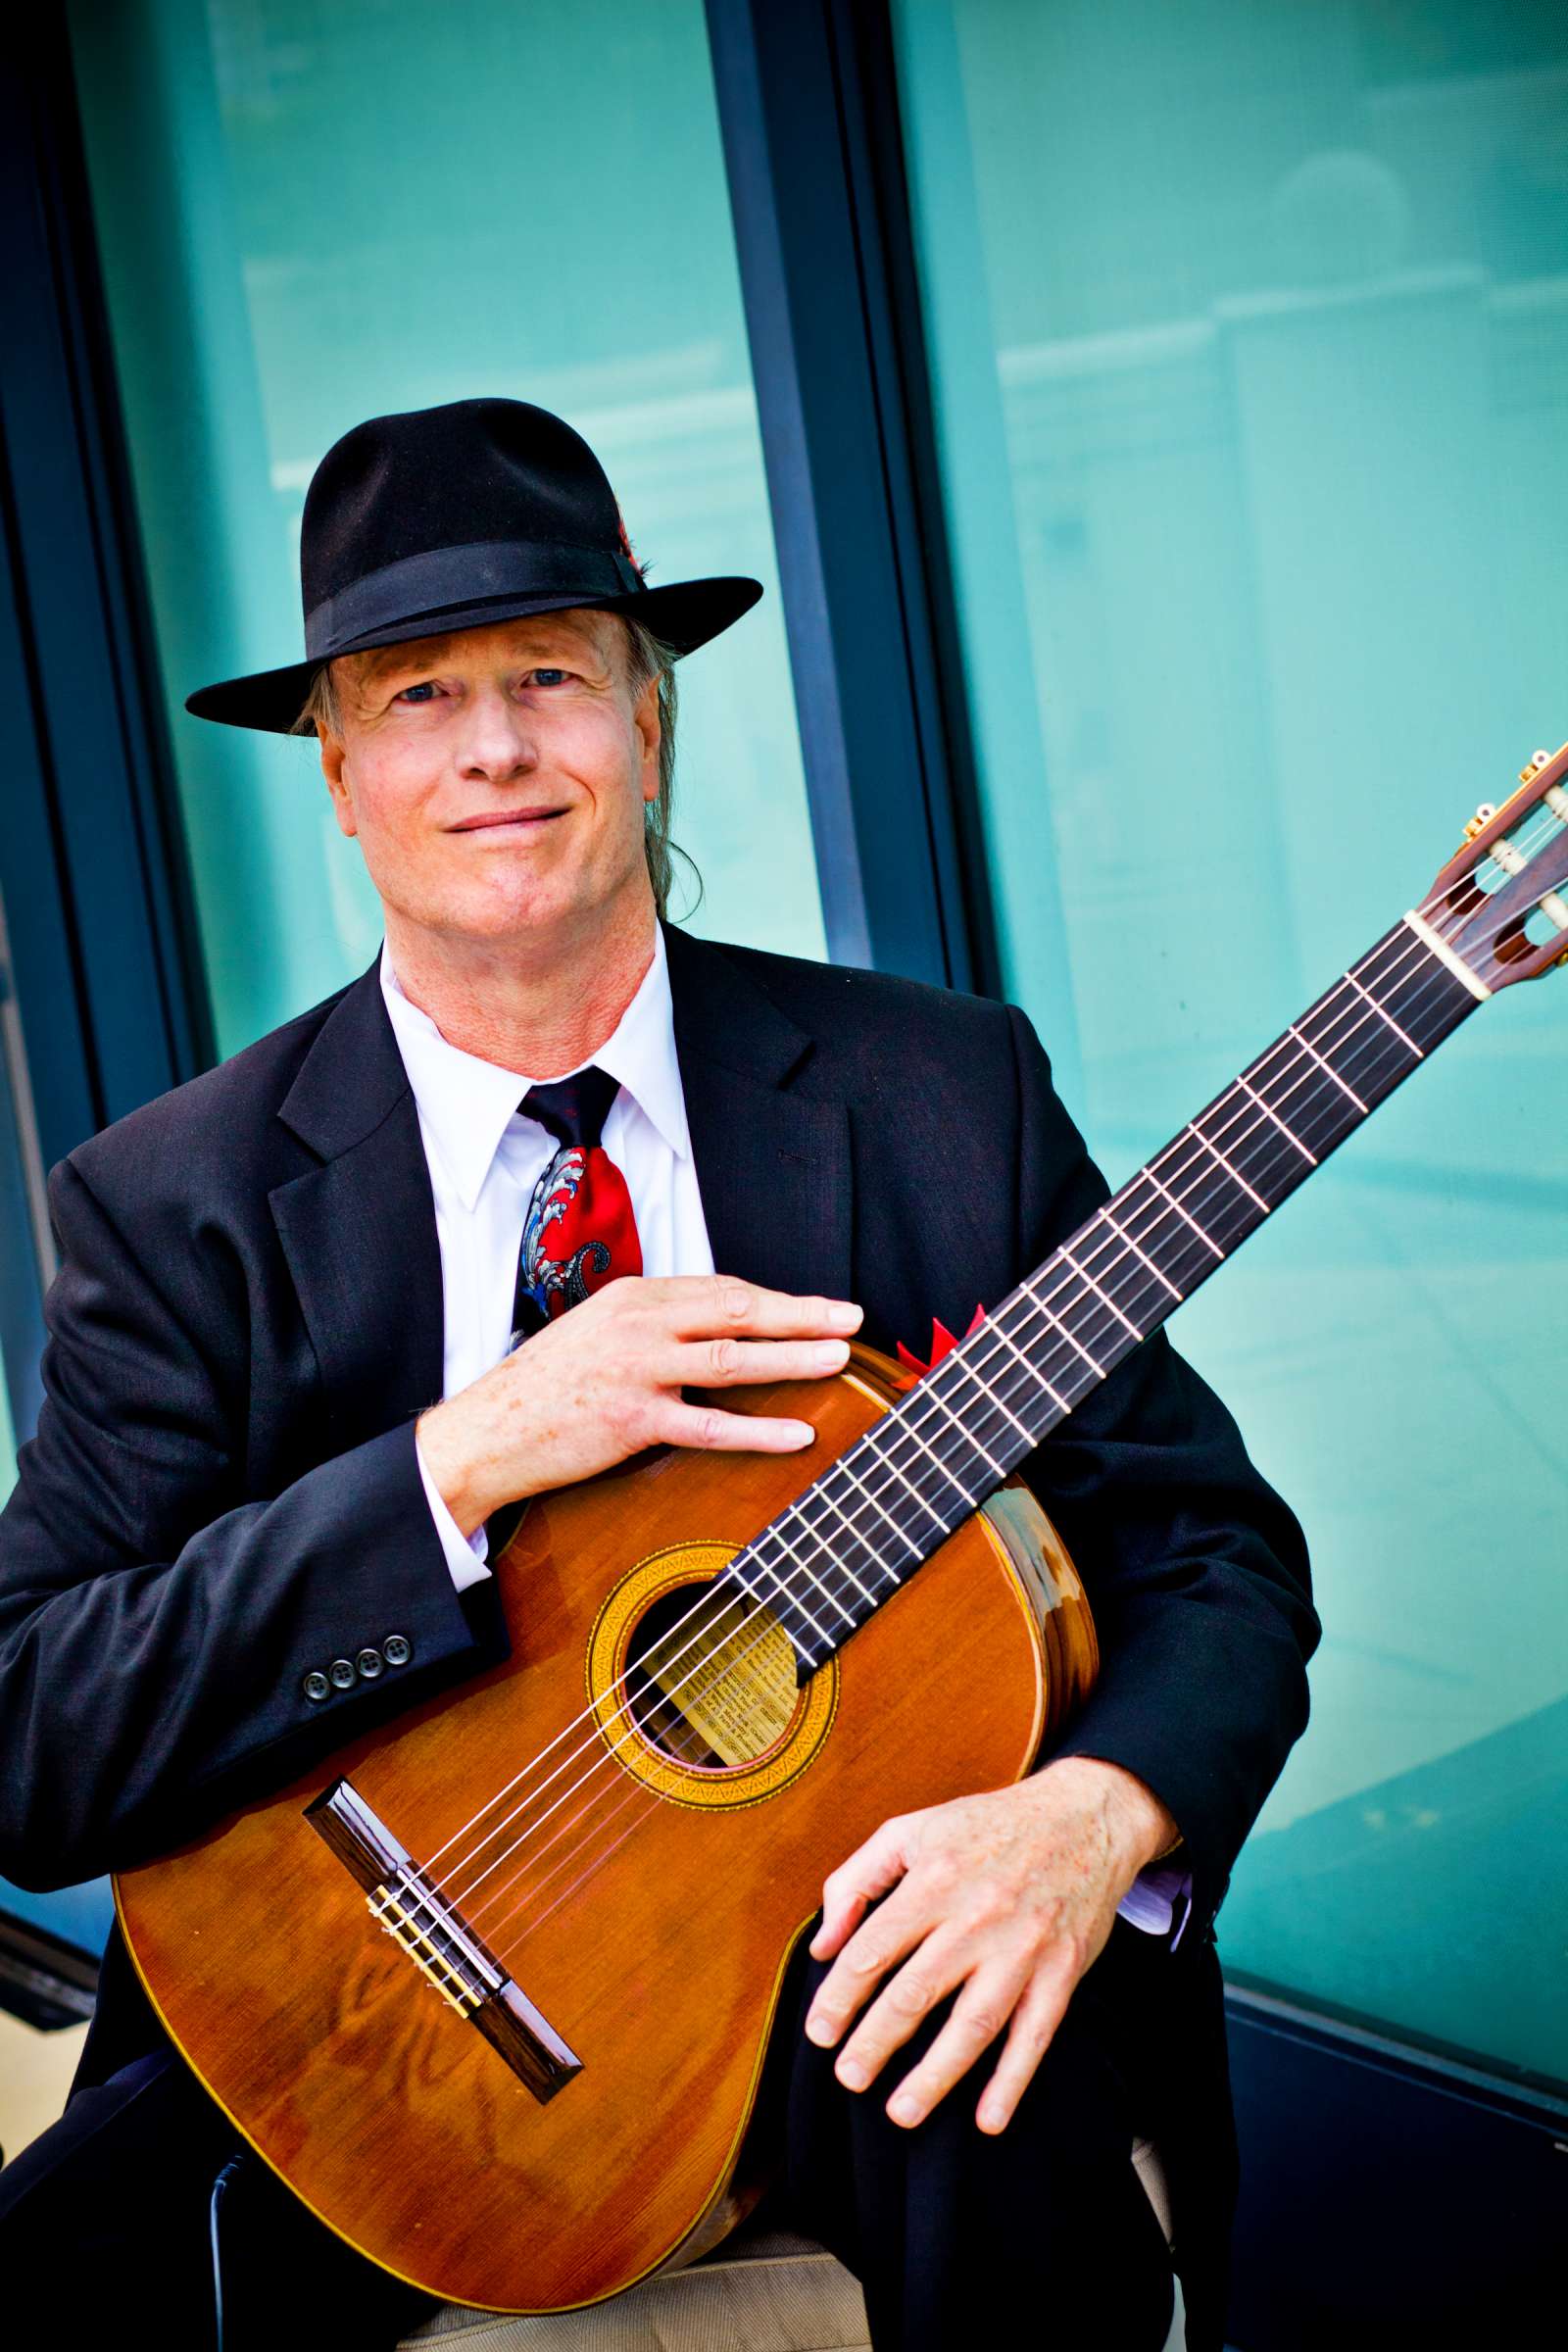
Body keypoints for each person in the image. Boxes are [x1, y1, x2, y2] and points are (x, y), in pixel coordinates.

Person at [0, 398, 1316, 2351]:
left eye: (549, 676)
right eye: (419, 696)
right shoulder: (176, 1201)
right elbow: (34, 1727)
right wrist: (451, 1466)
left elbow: (1210, 1558)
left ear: (647, 723)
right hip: (366, 1985)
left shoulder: (931, 1091)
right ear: (340, 774)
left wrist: (1088, 1816)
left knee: (975, 2072)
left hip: (827, 1959)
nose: (497, 748)